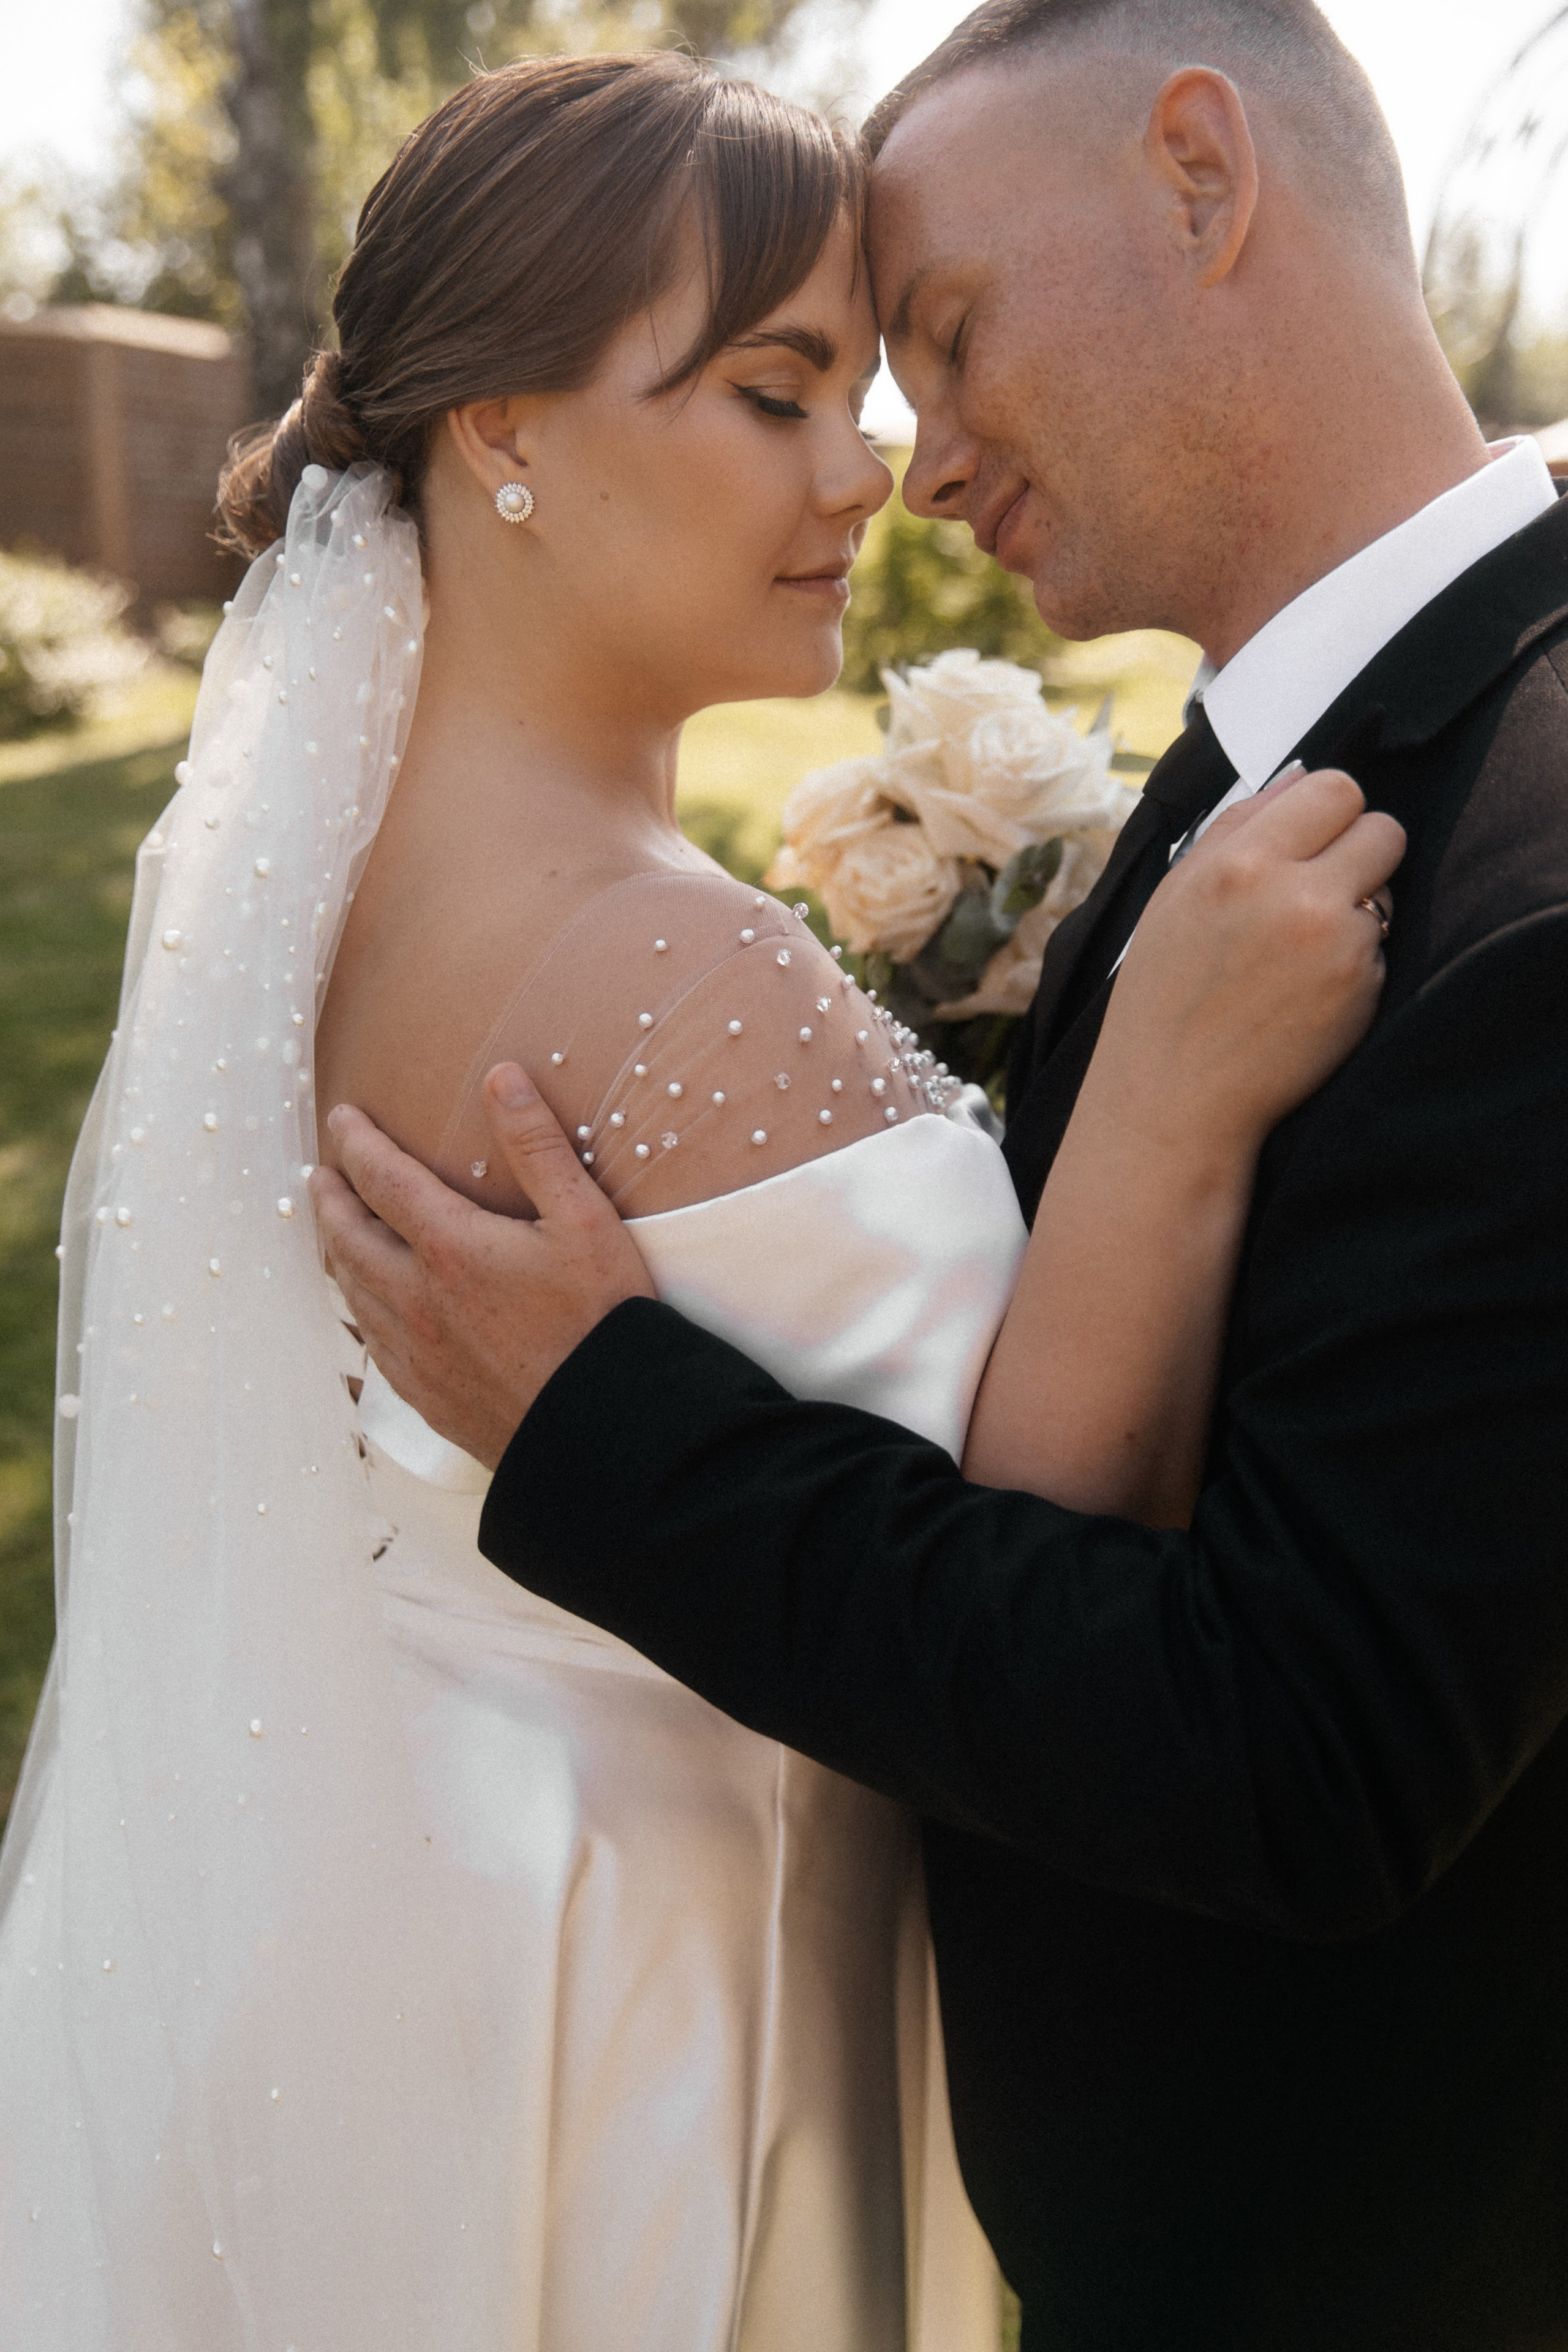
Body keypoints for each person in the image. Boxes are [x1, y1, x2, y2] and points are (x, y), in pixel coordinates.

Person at [0, 37, 1396, 2352]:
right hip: (658, 1988)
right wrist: (1161, 1097)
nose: (869, 469)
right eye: (775, 393)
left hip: (399, 1928)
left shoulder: (333, 888)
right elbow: (1040, 1545)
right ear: (506, 430)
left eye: (862, 392)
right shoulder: (663, 967)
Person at [314, 4, 1568, 2348]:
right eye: (827, 384)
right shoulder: (1283, 753)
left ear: (1203, 177)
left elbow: (1307, 1752)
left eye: (951, 339)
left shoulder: (1538, 861)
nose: (922, 461)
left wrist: (605, 1434)